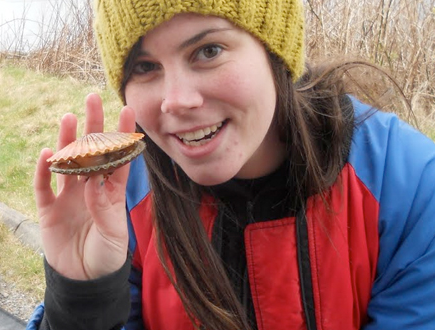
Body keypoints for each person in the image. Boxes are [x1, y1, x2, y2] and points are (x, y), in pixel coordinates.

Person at [31, 0, 435, 329]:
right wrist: (80, 301)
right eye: (144, 67)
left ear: (275, 50)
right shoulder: (118, 206)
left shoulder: (409, 186)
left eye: (208, 51)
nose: (176, 100)